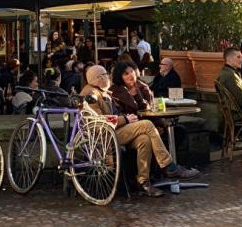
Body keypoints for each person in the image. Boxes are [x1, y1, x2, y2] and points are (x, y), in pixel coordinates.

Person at [80, 64, 199, 197]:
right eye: (105, 75)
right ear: (99, 77)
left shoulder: (103, 90)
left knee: (144, 139)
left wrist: (138, 95)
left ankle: (143, 182)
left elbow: (142, 105)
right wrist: (125, 119)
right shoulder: (91, 93)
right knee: (147, 125)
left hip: (116, 130)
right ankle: (169, 166)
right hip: (105, 135)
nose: (108, 77)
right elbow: (97, 122)